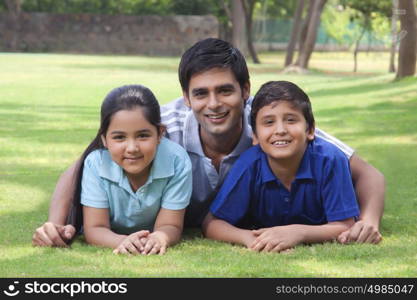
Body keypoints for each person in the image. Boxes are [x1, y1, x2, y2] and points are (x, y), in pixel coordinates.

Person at [32, 38, 384, 248]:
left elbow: (369, 174)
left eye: (225, 90)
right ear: (186, 96)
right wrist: (56, 222)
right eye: (201, 93)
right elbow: (82, 165)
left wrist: (368, 221)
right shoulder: (160, 127)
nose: (213, 104)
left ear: (245, 91)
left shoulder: (271, 125)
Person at [32, 85, 192, 255]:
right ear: (105, 139)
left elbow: (171, 225)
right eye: (119, 137)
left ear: (160, 134)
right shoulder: (96, 163)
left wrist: (160, 237)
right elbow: (95, 228)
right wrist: (123, 242)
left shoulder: (177, 160)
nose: (132, 148)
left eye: (143, 135)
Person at [203, 81, 360, 252]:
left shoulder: (330, 160)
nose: (280, 130)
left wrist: (298, 233)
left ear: (310, 130)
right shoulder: (249, 165)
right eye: (268, 122)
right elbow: (213, 224)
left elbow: (344, 226)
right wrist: (249, 239)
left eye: (291, 120)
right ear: (255, 136)